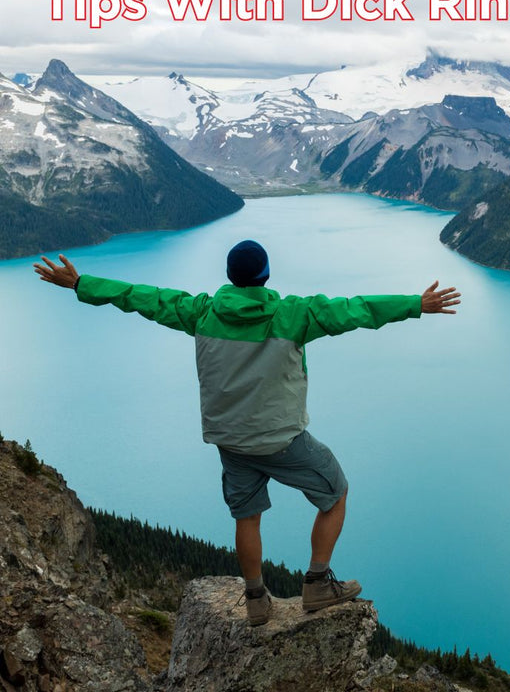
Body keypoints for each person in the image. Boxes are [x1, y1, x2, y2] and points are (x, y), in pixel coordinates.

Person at [33, 241, 460, 626]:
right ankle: (316, 583)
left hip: (230, 442)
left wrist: (80, 283)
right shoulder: (294, 314)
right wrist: (415, 304)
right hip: (282, 441)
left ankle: (256, 598)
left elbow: (140, 297)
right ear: (266, 275)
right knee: (336, 492)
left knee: (246, 515)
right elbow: (357, 309)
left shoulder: (200, 311)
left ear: (230, 277)